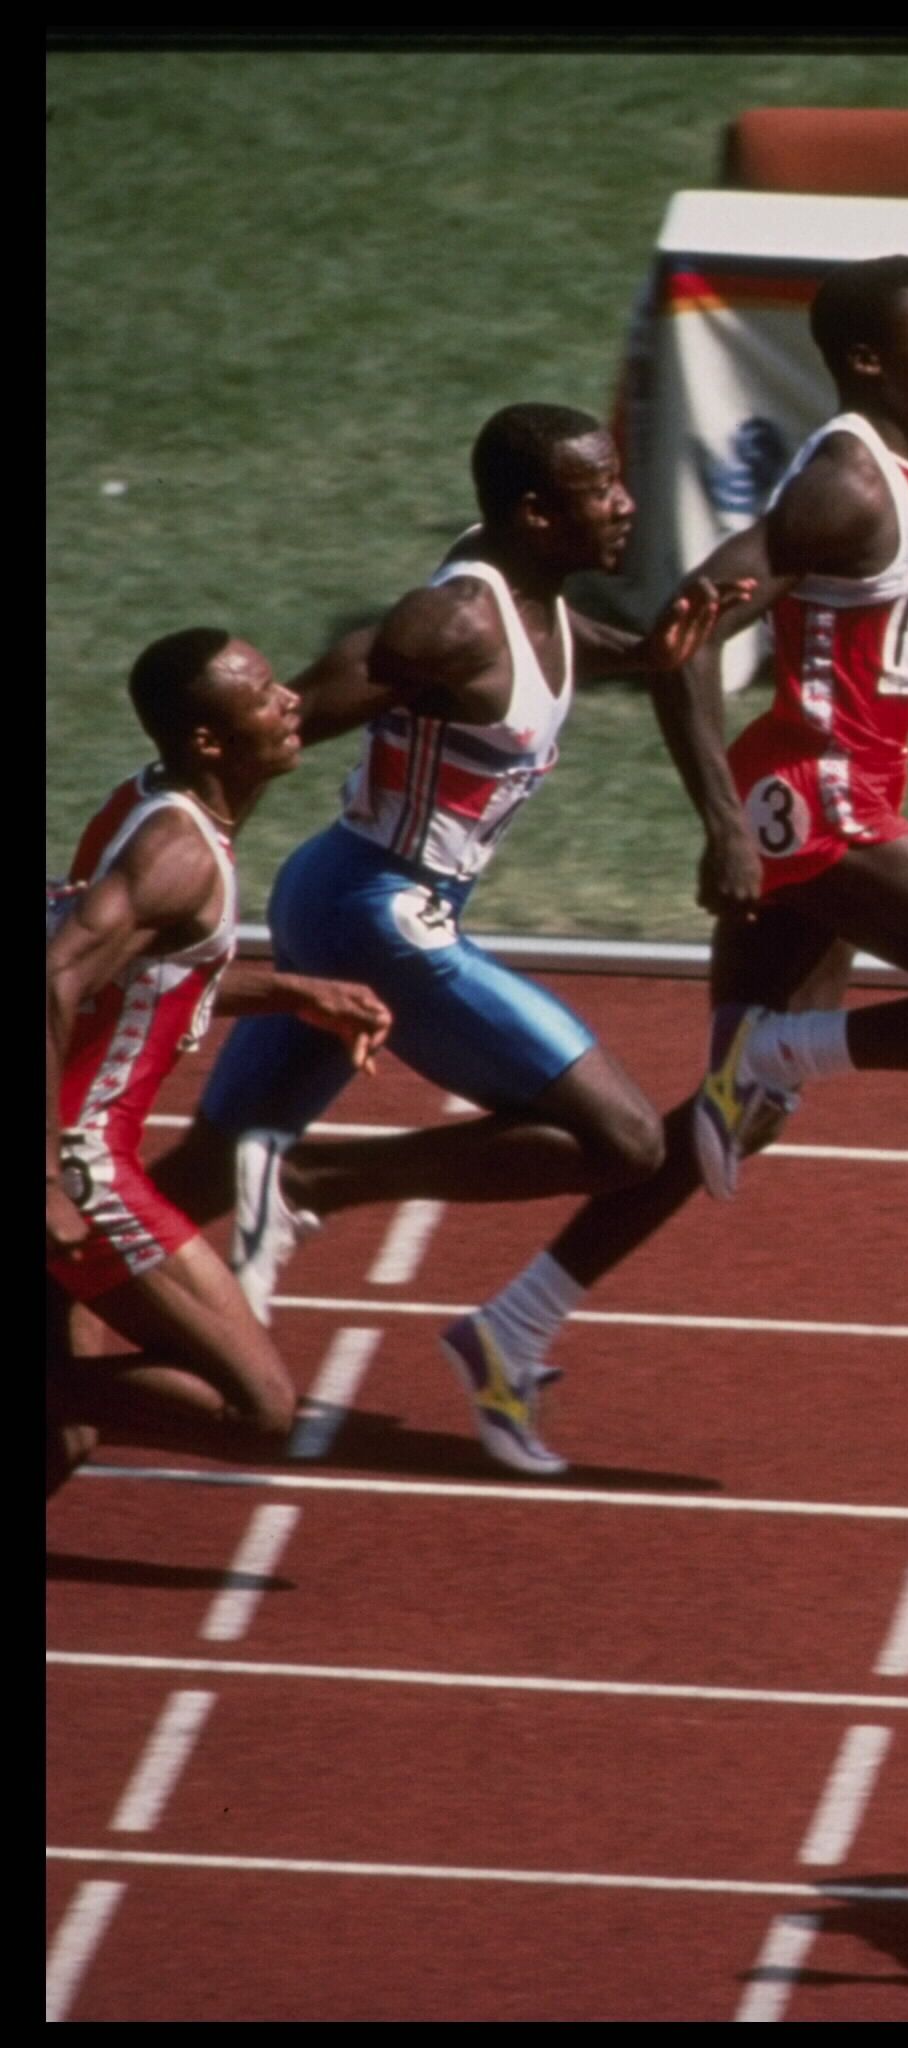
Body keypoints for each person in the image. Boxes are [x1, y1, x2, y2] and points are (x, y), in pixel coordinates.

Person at [433, 253, 908, 1455]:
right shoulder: (848, 480)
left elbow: (907, 651)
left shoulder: (904, 475)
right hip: (817, 809)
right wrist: (718, 822)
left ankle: (511, 1325)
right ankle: (787, 1045)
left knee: (727, 1118)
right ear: (868, 357)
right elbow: (681, 634)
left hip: (827, 799)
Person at [144, 404, 746, 1477]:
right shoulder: (456, 619)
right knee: (622, 1142)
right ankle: (312, 1185)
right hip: (375, 912)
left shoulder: (539, 598)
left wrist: (649, 658)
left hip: (361, 895)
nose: (625, 503)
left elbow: (570, 657)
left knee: (208, 1164)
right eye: (601, 488)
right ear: (533, 511)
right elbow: (300, 711)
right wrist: (165, 825)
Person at [47, 629, 392, 1493]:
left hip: (77, 1145)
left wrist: (291, 992)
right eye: (267, 694)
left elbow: (141, 978)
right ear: (208, 741)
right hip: (81, 1159)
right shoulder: (180, 852)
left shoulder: (147, 803)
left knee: (69, 1442)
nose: (292, 706)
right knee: (258, 1410)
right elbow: (53, 977)